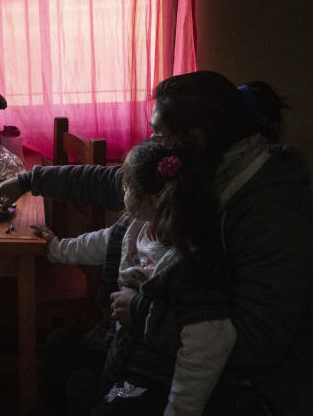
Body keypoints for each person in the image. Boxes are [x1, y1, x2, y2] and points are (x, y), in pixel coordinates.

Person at [0, 71, 313, 414]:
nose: (149, 141)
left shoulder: (275, 212)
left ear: (194, 139)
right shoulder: (202, 173)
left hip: (276, 385)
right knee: (62, 348)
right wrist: (28, 181)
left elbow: (256, 342)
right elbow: (113, 184)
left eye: (156, 132)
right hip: (193, 336)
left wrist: (140, 314)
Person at [33, 136, 234, 415]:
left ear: (151, 198)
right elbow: (105, 242)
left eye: (126, 185)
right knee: (60, 344)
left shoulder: (192, 265)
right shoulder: (138, 224)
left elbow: (209, 344)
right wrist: (57, 250)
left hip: (149, 374)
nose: (121, 190)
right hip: (122, 343)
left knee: (112, 406)